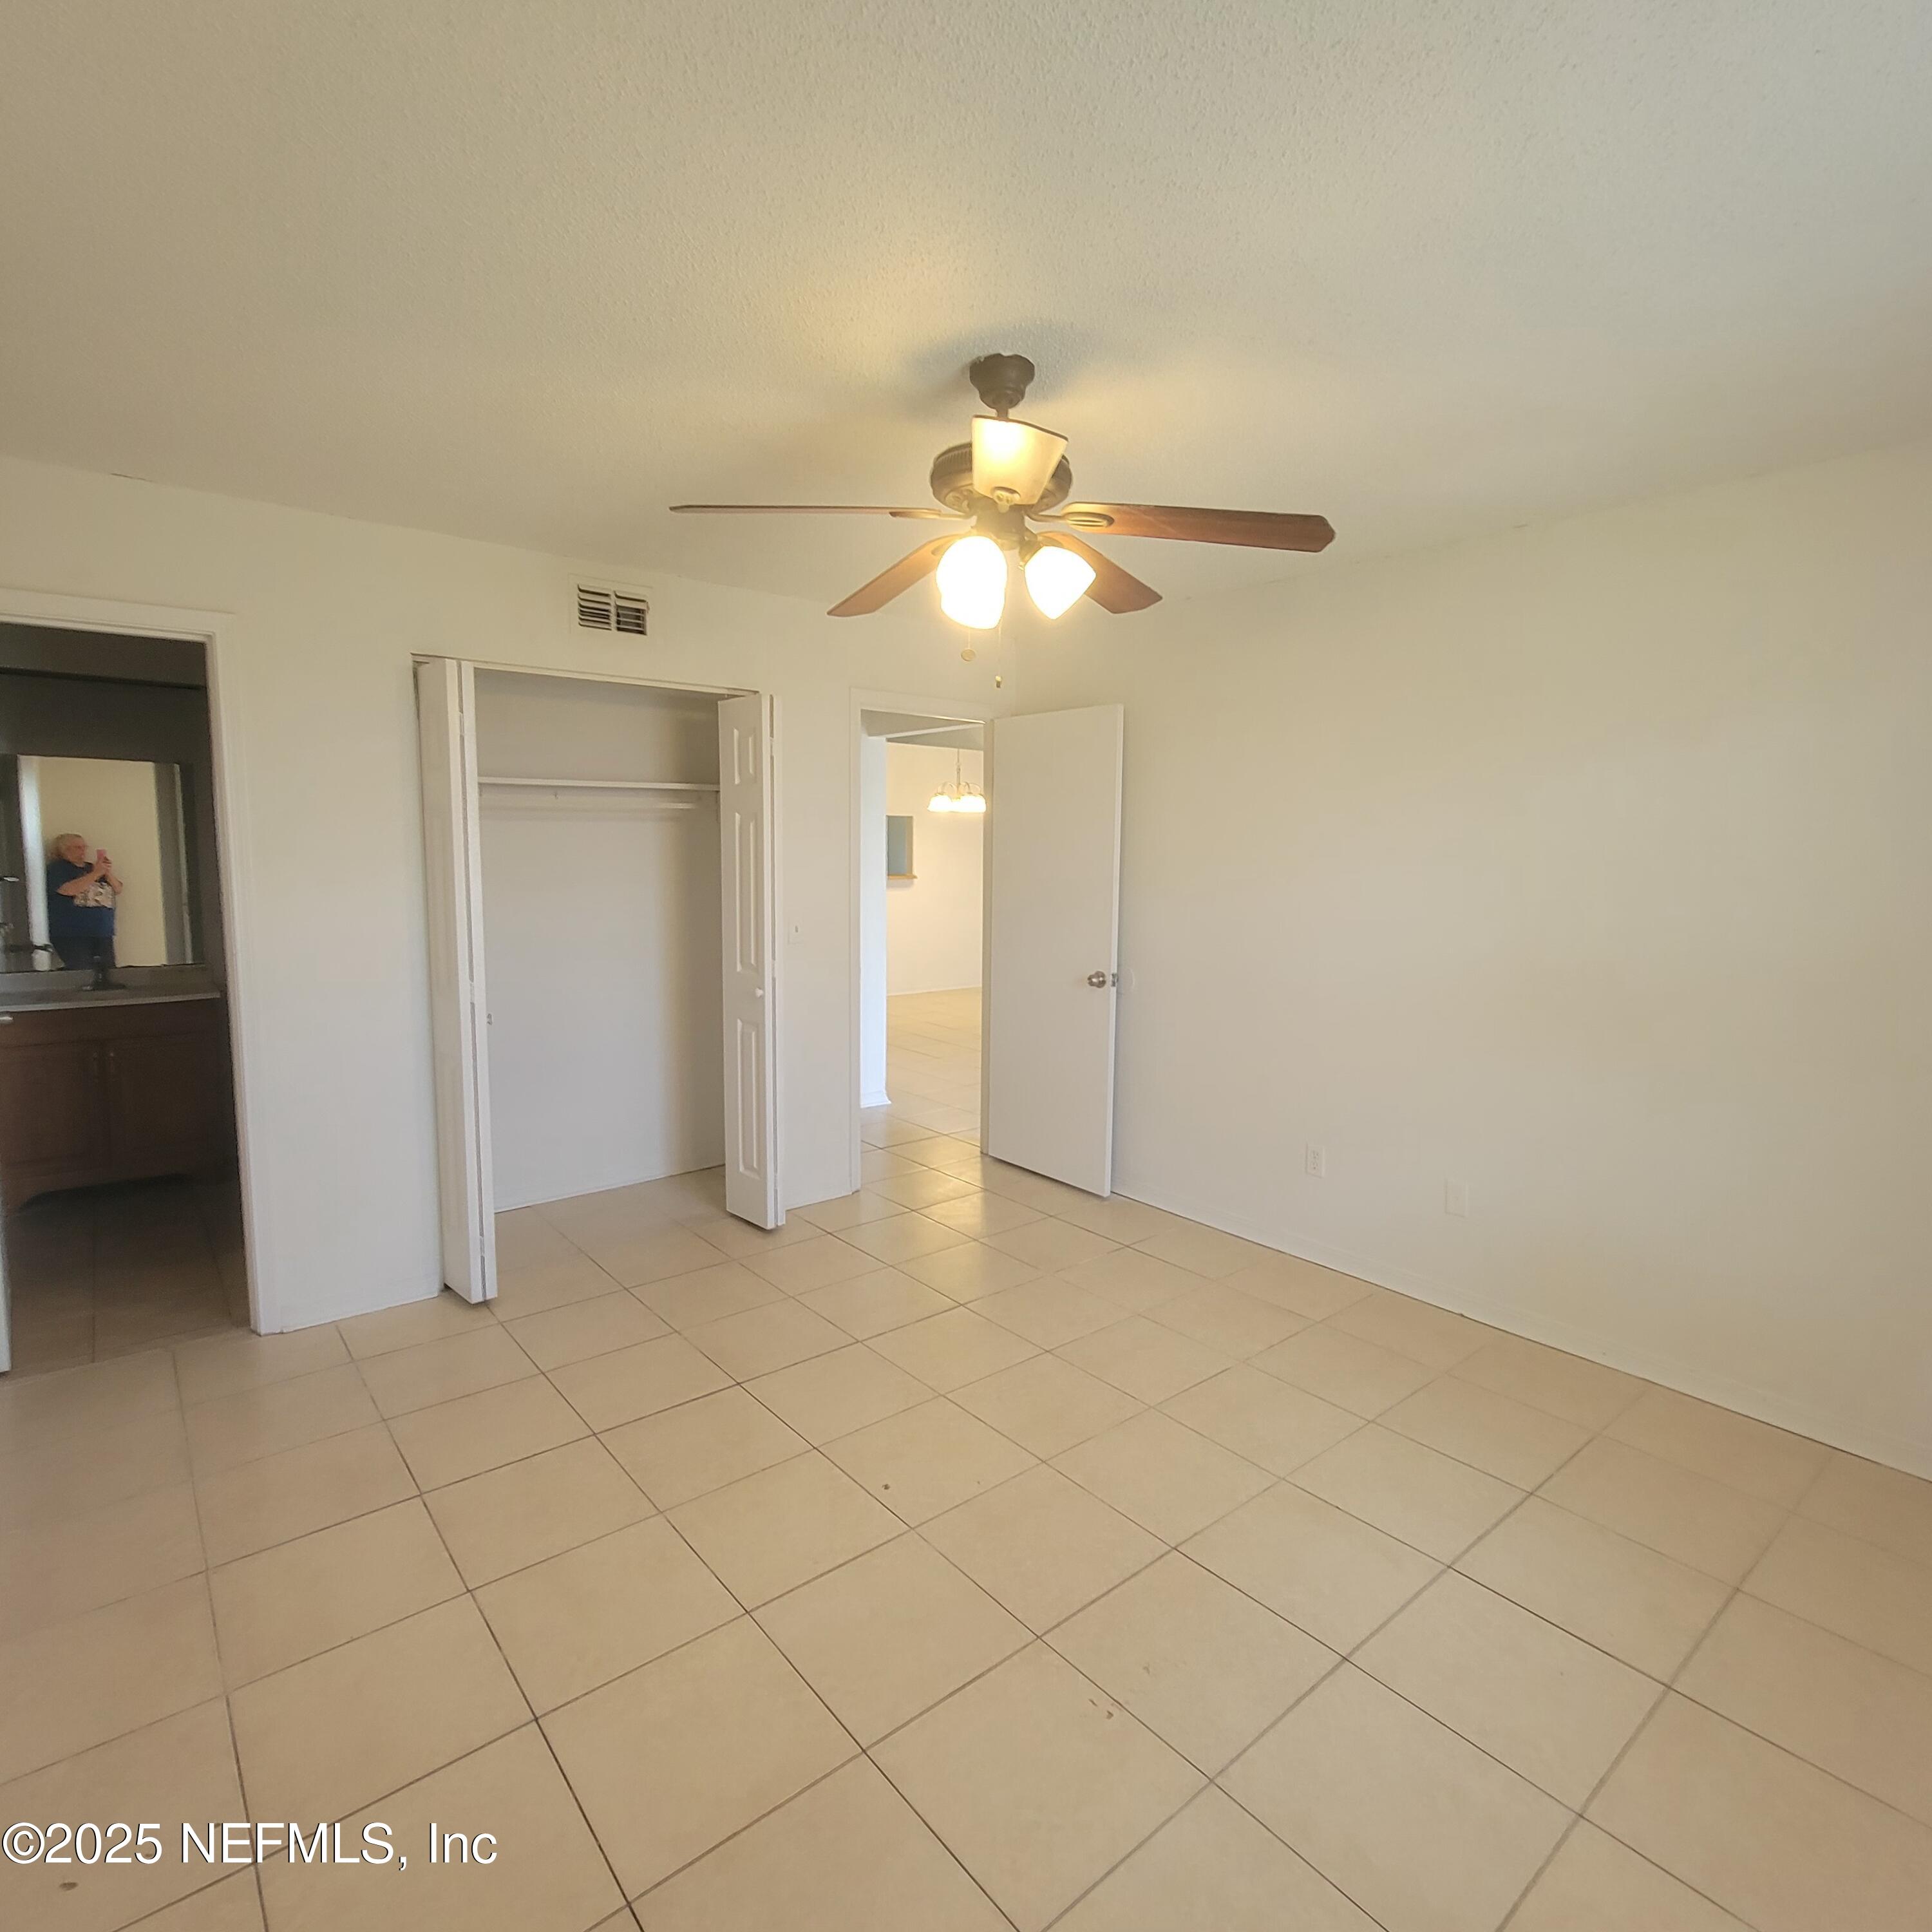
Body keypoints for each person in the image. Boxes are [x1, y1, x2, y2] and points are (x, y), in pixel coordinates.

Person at [45, 831, 121, 974]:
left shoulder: (92, 868)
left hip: (102, 931)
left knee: (109, 973)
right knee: (82, 973)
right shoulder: (57, 868)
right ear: (64, 850)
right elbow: (67, 890)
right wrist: (96, 874)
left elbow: (118, 888)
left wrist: (106, 872)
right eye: (77, 847)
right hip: (72, 932)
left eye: (84, 847)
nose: (83, 851)